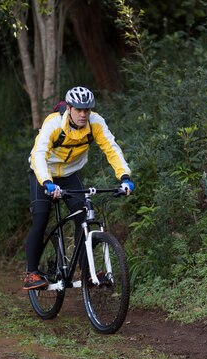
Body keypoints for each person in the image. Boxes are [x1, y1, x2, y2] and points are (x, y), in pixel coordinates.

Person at [24, 86, 134, 290]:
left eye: (87, 110)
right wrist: (47, 183)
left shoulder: (95, 123)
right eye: (79, 110)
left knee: (83, 216)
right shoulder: (54, 123)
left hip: (68, 175)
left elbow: (111, 148)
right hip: (43, 174)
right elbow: (39, 154)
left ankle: (87, 271)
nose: (83, 114)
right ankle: (31, 273)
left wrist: (124, 176)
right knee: (41, 216)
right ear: (69, 108)